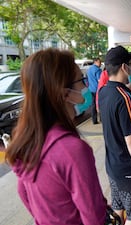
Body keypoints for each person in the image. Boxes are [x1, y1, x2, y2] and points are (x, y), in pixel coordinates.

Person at [5, 48, 107, 224]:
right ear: (64, 92)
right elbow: (94, 216)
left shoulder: (28, 140)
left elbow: (23, 192)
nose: (86, 87)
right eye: (81, 81)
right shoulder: (72, 150)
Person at [98, 46, 131, 225]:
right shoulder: (125, 98)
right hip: (128, 169)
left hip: (112, 166)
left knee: (118, 208)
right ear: (124, 67)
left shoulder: (104, 92)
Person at [87, 57, 102, 124]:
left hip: (91, 89)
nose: (100, 63)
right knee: (100, 104)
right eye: (99, 62)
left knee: (93, 105)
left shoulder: (89, 69)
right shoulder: (98, 70)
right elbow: (99, 80)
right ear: (95, 62)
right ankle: (102, 119)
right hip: (97, 89)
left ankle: (94, 120)